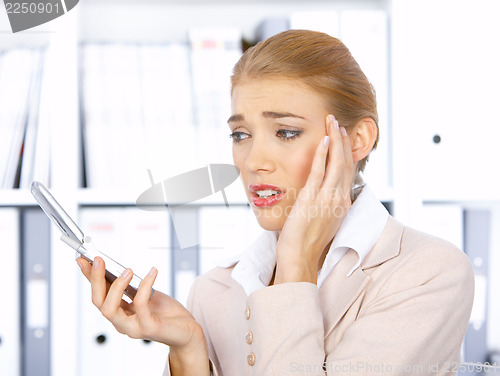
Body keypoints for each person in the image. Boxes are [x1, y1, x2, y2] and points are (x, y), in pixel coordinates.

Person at [76, 30, 475, 375]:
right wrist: (189, 351)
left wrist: (296, 263)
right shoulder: (214, 291)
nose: (252, 162)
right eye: (240, 135)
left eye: (285, 132)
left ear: (357, 140)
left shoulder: (428, 274)